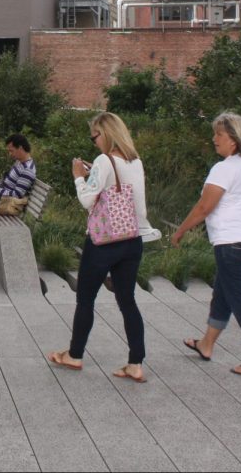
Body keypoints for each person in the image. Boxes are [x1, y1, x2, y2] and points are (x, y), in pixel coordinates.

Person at [47, 112, 159, 383]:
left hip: (103, 243)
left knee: (86, 299)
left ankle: (74, 355)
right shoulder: (135, 161)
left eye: (94, 135)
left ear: (106, 134)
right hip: (131, 241)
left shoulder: (103, 161)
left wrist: (78, 177)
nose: (93, 141)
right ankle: (135, 363)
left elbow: (87, 200)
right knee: (127, 300)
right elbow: (140, 208)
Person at [172, 112, 241, 378]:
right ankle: (206, 344)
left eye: (219, 134)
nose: (214, 139)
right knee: (223, 291)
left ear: (233, 139)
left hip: (232, 243)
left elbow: (205, 206)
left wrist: (180, 231)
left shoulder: (224, 168)